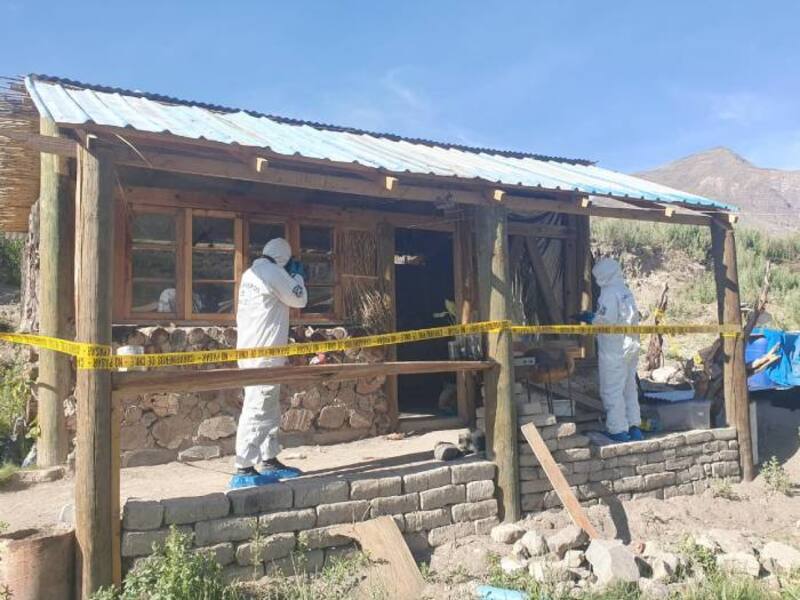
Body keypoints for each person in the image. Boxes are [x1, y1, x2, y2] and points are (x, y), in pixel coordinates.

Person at [232, 238, 308, 487]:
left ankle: (268, 459)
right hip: (264, 355)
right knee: (257, 408)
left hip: (252, 351)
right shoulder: (273, 272)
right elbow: (299, 299)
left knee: (268, 408)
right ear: (284, 257)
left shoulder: (251, 274)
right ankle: (244, 468)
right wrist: (297, 276)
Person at [591, 258, 643, 443]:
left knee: (612, 389)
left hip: (614, 349)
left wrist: (591, 319)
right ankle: (634, 427)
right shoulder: (625, 291)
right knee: (629, 388)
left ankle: (617, 430)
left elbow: (606, 320)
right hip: (631, 346)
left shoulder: (608, 293)